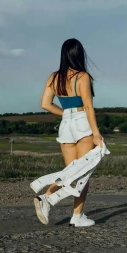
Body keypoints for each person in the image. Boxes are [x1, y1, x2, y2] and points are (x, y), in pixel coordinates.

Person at [34, 38, 104, 227]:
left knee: (70, 172)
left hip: (66, 124)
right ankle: (74, 214)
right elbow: (88, 106)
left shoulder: (54, 77)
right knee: (82, 174)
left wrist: (65, 113)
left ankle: (47, 198)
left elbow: (45, 104)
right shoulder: (82, 77)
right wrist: (96, 133)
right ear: (79, 54)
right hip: (82, 123)